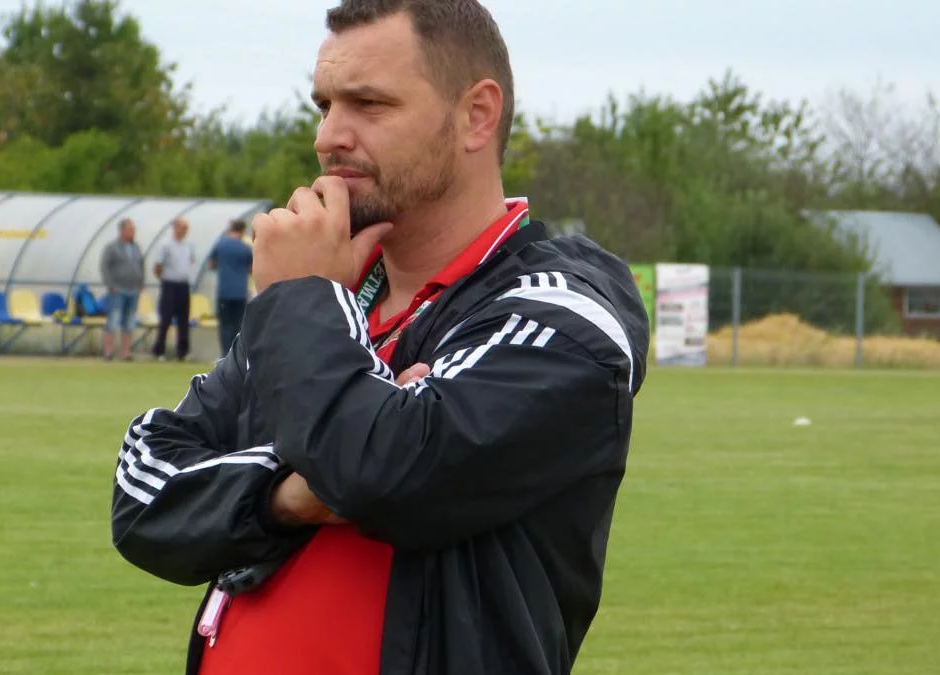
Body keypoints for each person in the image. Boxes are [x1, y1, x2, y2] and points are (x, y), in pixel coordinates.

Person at [110, 2, 650, 674]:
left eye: (368, 104)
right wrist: (288, 496)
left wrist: (302, 305)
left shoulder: (562, 315)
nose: (328, 137)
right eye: (324, 104)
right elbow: (143, 491)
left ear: (476, 115)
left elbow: (383, 472)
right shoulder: (324, 305)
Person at [98, 218, 145, 361]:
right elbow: (104, 267)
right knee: (113, 320)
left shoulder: (136, 248)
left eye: (134, 230)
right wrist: (110, 285)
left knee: (129, 322)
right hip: (117, 290)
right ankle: (108, 352)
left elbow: (141, 266)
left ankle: (126, 352)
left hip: (133, 290)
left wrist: (141, 284)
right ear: (122, 231)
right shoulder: (112, 247)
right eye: (130, 229)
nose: (133, 232)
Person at [206, 219, 254, 357]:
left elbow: (211, 265)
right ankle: (235, 356)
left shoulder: (220, 244)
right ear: (243, 231)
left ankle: (225, 355)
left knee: (225, 325)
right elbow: (251, 269)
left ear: (230, 229)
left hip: (224, 292)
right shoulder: (246, 249)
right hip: (240, 292)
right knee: (237, 325)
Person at [151, 217, 196, 361]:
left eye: (186, 228)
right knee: (166, 318)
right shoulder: (165, 244)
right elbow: (158, 265)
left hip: (183, 284)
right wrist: (164, 278)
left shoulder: (189, 245)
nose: (185, 231)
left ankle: (183, 351)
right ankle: (159, 350)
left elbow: (191, 261)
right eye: (182, 227)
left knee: (184, 318)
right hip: (169, 284)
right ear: (175, 228)